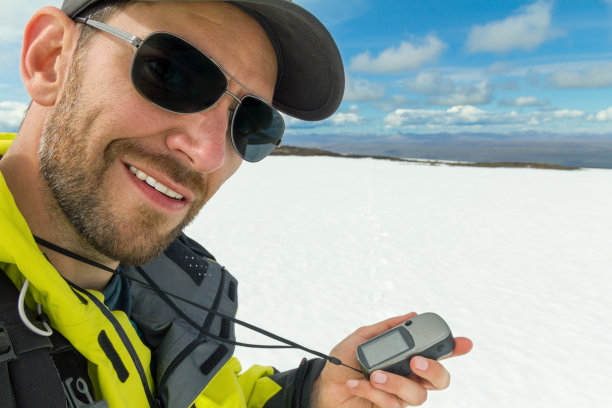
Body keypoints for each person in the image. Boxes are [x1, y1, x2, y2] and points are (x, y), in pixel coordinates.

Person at [0, 0, 473, 407]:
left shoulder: (161, 299)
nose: (207, 153)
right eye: (172, 73)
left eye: (250, 124)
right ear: (50, 60)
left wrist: (310, 395)